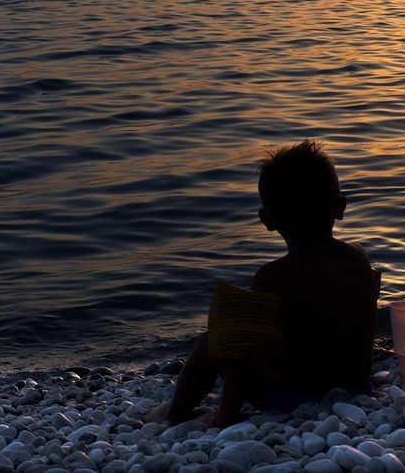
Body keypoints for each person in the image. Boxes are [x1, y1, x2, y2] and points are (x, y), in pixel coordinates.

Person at [147, 140, 380, 425]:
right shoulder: (357, 256)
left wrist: (229, 410)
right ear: (340, 207)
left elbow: (250, 352)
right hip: (356, 386)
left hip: (295, 396)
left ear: (267, 220)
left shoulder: (272, 276)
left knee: (209, 344)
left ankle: (184, 414)